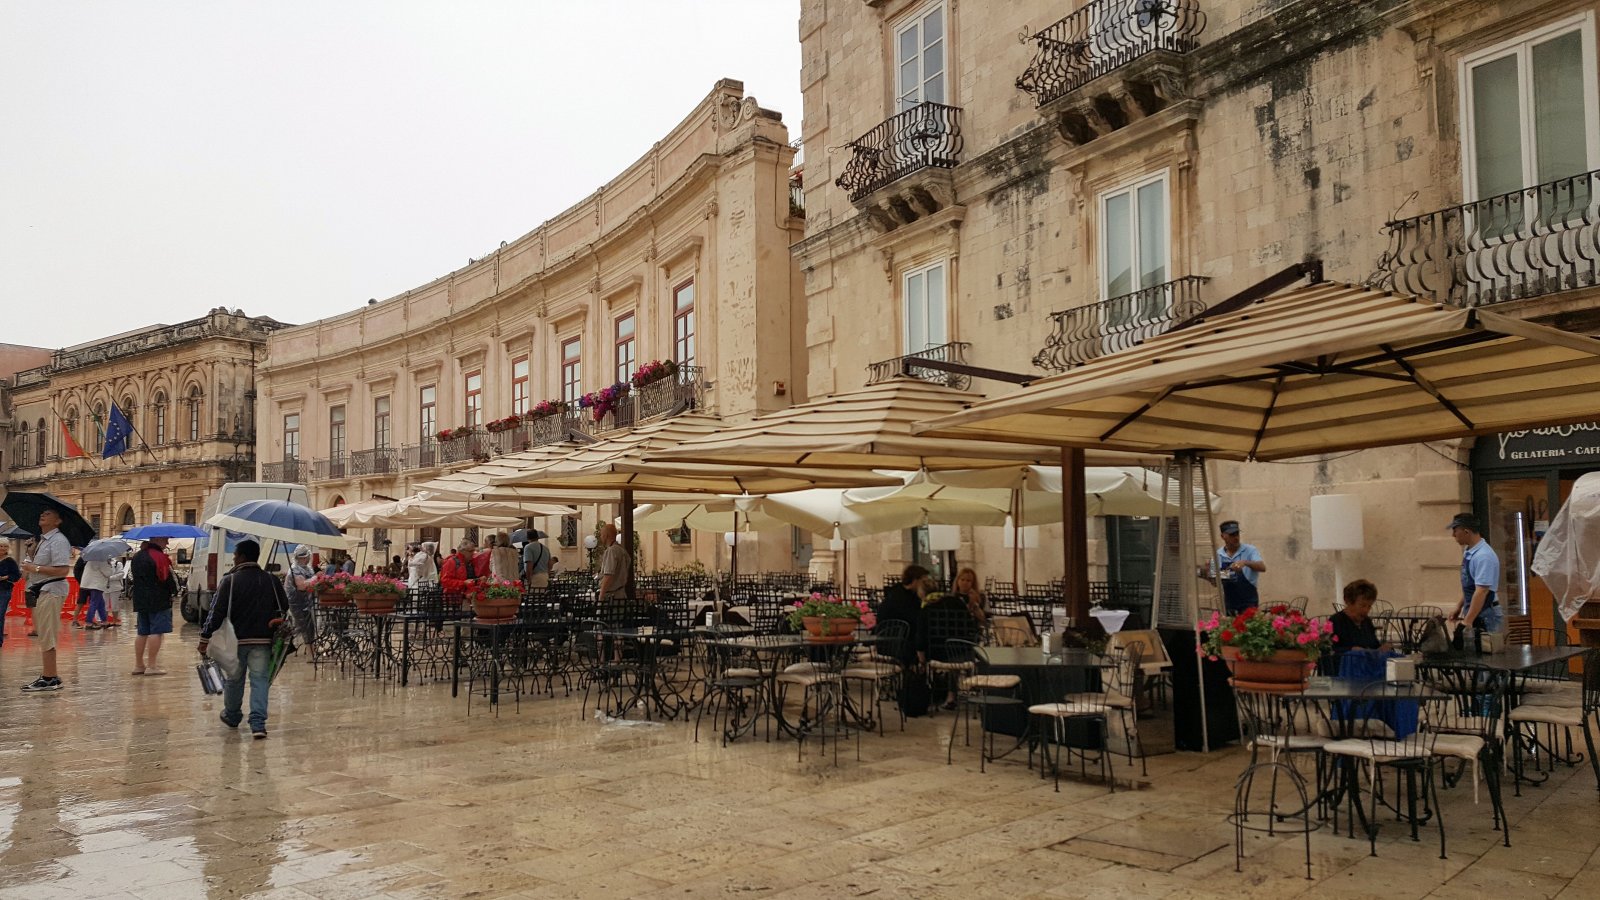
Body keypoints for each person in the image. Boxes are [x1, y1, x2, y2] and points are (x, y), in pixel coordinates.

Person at [199, 539, 289, 739]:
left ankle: (232, 716)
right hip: (263, 640)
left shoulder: (229, 581)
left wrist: (205, 637)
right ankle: (258, 724)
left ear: (241, 557)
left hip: (236, 640)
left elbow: (216, 612)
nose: (234, 559)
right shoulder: (271, 580)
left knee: (234, 679)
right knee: (260, 680)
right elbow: (284, 606)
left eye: (235, 555)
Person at [20, 510, 73, 691]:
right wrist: (31, 553)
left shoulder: (58, 540)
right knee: (44, 632)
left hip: (52, 590)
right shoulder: (43, 540)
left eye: (48, 513)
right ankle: (50, 675)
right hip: (43, 589)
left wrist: (34, 568)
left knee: (47, 633)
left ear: (58, 521)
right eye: (42, 513)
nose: (42, 515)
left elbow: (63, 570)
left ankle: (50, 677)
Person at [129, 536, 179, 676]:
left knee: (142, 632)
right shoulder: (159, 557)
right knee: (156, 631)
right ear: (157, 540)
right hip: (158, 598)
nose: (167, 542)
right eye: (165, 539)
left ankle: (139, 665)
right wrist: (174, 591)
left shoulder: (137, 556)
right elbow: (166, 577)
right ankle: (152, 666)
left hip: (140, 598)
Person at [1448, 513, 1503, 635]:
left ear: (1466, 532)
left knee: (1484, 646)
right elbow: (1471, 586)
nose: (1453, 535)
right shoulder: (1470, 552)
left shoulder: (1483, 556)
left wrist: (1467, 621)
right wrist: (1459, 606)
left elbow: (1482, 591)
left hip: (1486, 614)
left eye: (1455, 531)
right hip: (1476, 611)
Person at [1206, 520, 1266, 614]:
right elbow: (1215, 583)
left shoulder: (1250, 550)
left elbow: (1262, 567)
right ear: (1223, 536)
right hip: (1229, 603)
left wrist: (1245, 563)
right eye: (1232, 535)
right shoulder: (1217, 555)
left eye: (1237, 533)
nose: (1236, 537)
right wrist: (1209, 573)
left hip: (1249, 602)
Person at [1330, 579, 1387, 652]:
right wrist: (1350, 650)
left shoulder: (1367, 622)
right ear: (1348, 602)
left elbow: (1374, 646)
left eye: (1369, 606)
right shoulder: (1336, 622)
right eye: (1362, 605)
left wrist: (1381, 649)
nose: (1366, 610)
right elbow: (1328, 651)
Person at [284, 545, 318, 651]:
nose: (308, 559)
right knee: (303, 626)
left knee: (309, 626)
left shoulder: (307, 568)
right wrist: (316, 577)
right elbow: (301, 585)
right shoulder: (294, 569)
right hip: (297, 603)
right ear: (303, 557)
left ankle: (311, 649)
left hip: (307, 602)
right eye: (307, 557)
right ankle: (308, 651)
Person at [79, 553, 116, 630]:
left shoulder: (90, 560)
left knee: (101, 603)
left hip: (88, 584)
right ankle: (89, 623)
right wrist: (110, 565)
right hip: (96, 585)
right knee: (94, 603)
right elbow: (108, 573)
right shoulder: (102, 561)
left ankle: (104, 622)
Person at [597, 523, 629, 602]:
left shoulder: (611, 551)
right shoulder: (622, 550)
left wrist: (601, 596)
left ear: (606, 535)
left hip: (611, 597)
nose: (600, 537)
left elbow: (608, 575)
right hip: (621, 595)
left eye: (601, 535)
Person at [0, 543, 20, 647]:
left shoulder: (10, 561)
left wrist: (5, 577)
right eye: (1, 546)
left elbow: (17, 576)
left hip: (4, 590)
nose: (3, 548)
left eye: (5, 546)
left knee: (0, 614)